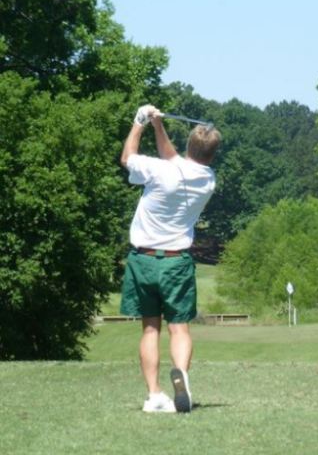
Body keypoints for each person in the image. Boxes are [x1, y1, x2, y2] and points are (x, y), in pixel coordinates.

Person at [119, 105, 221, 413]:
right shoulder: (208, 178)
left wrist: (140, 122)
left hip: (143, 260)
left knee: (151, 329)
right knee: (180, 328)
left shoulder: (159, 169)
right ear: (211, 155)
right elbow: (173, 158)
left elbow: (127, 159)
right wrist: (158, 125)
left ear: (189, 145)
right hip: (177, 262)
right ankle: (183, 378)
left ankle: (154, 395)